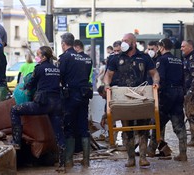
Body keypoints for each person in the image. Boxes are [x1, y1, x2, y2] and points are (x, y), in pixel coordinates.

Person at [104, 33, 160, 167]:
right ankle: (130, 158)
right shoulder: (115, 59)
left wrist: (156, 83)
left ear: (133, 43)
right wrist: (107, 85)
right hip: (123, 96)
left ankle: (142, 157)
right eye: (122, 40)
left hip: (141, 95)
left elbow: (154, 73)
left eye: (126, 41)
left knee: (143, 128)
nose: (123, 43)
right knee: (127, 128)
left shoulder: (144, 58)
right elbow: (108, 75)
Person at [10, 46, 66, 172]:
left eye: (38, 54)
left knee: (15, 110)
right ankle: (62, 164)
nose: (37, 56)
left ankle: (16, 141)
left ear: (44, 57)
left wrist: (24, 87)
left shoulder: (39, 68)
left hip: (42, 104)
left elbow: (30, 85)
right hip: (57, 104)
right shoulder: (57, 69)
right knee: (59, 132)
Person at [147, 38, 187, 161]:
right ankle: (183, 153)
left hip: (166, 94)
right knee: (179, 125)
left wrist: (156, 92)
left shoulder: (162, 60)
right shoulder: (179, 60)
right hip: (179, 93)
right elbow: (183, 78)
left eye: (159, 46)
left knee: (157, 123)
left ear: (162, 47)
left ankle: (151, 151)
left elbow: (160, 78)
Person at [59, 33, 93, 168]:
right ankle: (86, 160)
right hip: (84, 95)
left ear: (63, 44)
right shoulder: (86, 58)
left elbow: (60, 75)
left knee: (69, 126)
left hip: (70, 95)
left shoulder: (65, 57)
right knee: (83, 126)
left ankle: (69, 161)